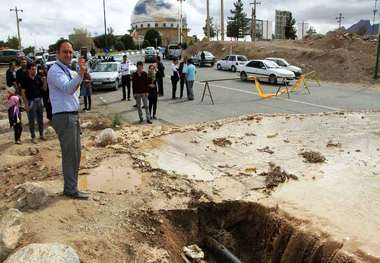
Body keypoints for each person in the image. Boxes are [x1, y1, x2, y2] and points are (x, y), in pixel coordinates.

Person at [47, 39, 89, 200]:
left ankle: (72, 187)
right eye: (65, 51)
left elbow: (76, 85)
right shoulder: (55, 71)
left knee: (75, 154)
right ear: (57, 53)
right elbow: (68, 88)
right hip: (64, 117)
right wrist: (80, 74)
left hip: (71, 115)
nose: (68, 55)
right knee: (70, 154)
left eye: (70, 52)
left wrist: (82, 71)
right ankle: (71, 189)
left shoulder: (67, 70)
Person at [21, 63, 45, 143]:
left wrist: (45, 81)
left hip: (39, 101)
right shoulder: (25, 79)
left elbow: (44, 89)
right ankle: (33, 137)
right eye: (32, 69)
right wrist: (26, 104)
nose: (34, 70)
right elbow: (23, 92)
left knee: (40, 119)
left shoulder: (38, 78)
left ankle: (41, 135)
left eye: (35, 69)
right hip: (31, 101)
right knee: (31, 121)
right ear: (28, 70)